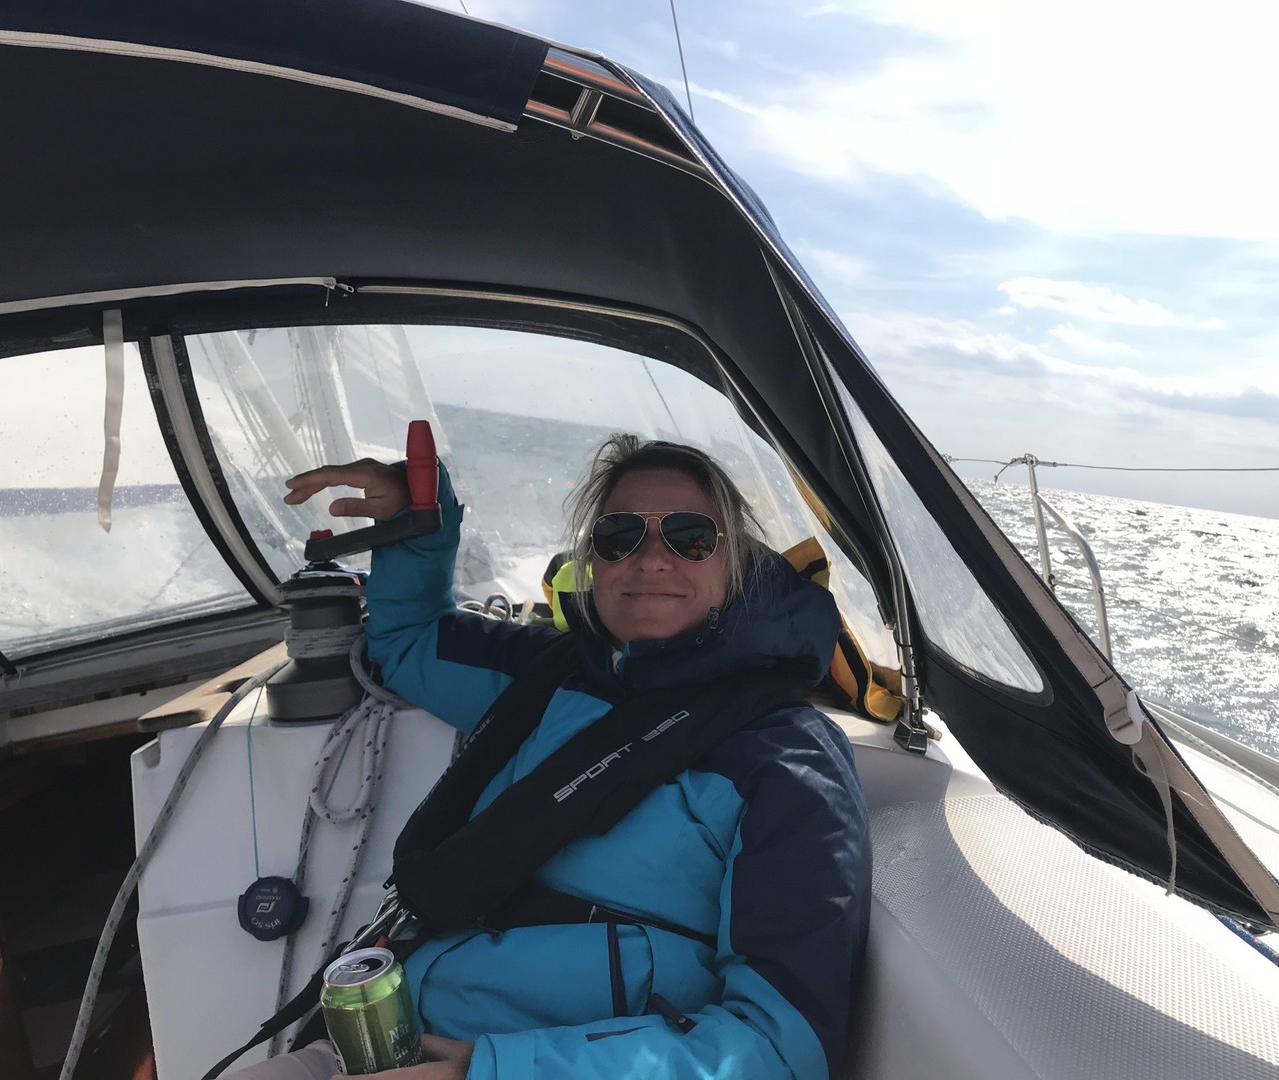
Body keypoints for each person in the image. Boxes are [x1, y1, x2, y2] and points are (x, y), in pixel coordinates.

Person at [254, 434, 870, 1080]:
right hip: (388, 1033)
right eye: (619, 536)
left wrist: (492, 1072)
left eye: (690, 537)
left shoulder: (786, 756)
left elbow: (779, 1048)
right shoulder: (549, 676)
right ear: (592, 560)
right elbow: (411, 643)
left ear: (734, 562)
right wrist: (416, 516)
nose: (651, 559)